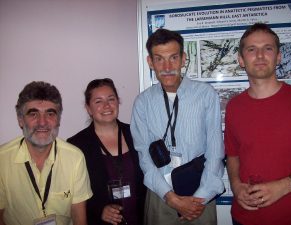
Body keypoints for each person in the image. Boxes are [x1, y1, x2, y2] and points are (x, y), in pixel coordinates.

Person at [130, 28, 225, 225]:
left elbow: (215, 150)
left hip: (201, 195)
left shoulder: (206, 94)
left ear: (183, 58)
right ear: (150, 62)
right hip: (160, 195)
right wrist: (170, 197)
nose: (167, 66)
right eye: (159, 59)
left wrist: (201, 198)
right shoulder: (142, 102)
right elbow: (143, 156)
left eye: (173, 58)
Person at [225, 23, 291, 225]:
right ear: (241, 59)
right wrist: (235, 185)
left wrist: (286, 185)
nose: (259, 55)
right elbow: (233, 155)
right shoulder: (234, 106)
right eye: (251, 49)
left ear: (279, 56)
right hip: (243, 218)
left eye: (268, 48)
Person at [0, 81, 93, 225]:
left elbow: (79, 218)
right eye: (33, 114)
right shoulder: (2, 159)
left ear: (58, 120)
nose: (42, 122)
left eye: (50, 113)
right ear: (20, 120)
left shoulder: (75, 158)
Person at [67, 78, 145, 225]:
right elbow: (72, 194)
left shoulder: (137, 134)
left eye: (111, 99)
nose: (106, 105)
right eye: (98, 101)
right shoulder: (77, 145)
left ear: (118, 101)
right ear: (88, 108)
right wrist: (98, 209)